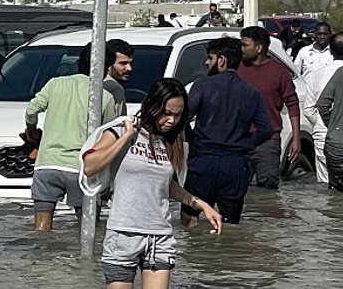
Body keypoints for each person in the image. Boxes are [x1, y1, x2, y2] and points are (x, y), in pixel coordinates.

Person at [83, 80, 222, 289]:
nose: (172, 120)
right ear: (152, 106)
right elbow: (89, 165)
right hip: (123, 234)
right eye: (167, 113)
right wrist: (127, 136)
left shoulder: (169, 140)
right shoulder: (122, 130)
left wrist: (200, 204)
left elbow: (165, 185)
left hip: (160, 237)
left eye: (178, 115)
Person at [23, 43, 117, 231]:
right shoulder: (105, 97)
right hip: (81, 169)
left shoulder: (55, 84)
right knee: (87, 227)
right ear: (106, 69)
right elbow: (109, 134)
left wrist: (31, 130)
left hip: (47, 164)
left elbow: (31, 109)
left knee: (41, 226)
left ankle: (40, 258)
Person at [181, 37, 272, 228]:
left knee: (191, 218)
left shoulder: (203, 85)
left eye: (210, 58)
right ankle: (225, 257)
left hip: (203, 161)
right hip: (235, 165)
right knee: (229, 226)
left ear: (221, 60)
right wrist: (244, 145)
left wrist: (192, 138)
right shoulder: (251, 92)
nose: (206, 62)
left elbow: (182, 119)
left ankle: (194, 257)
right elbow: (266, 130)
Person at [236, 26, 300, 189]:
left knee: (267, 190)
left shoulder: (279, 72)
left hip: (268, 141)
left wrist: (296, 139)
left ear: (259, 48)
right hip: (238, 140)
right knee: (236, 188)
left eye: (245, 45)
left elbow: (292, 105)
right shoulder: (236, 68)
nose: (241, 49)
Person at [305, 33, 343, 185]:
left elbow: (309, 109)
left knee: (325, 188)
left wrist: (327, 124)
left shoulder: (317, 74)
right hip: (332, 135)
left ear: (330, 51)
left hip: (325, 136)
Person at [316, 61, 343, 191]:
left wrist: (332, 125)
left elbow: (322, 104)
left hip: (336, 144)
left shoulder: (340, 72)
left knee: (335, 195)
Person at [103, 39, 134, 117]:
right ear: (109, 62)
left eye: (130, 63)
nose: (129, 68)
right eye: (123, 63)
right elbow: (117, 124)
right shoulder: (114, 88)